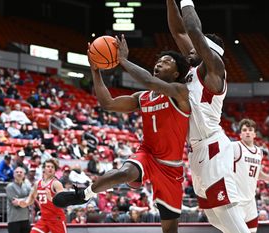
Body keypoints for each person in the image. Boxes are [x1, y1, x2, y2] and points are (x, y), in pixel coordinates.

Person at [53, 42, 190, 233]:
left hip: (171, 167)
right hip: (147, 154)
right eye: (158, 61)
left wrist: (123, 60)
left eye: (166, 62)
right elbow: (107, 103)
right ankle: (85, 194)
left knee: (170, 230)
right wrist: (95, 71)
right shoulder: (143, 97)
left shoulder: (180, 92)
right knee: (125, 173)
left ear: (176, 74)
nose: (159, 64)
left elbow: (150, 81)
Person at [166, 0, 250, 232]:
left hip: (213, 147)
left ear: (208, 51)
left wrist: (185, 1)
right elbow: (179, 30)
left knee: (226, 211)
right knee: (214, 218)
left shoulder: (214, 69)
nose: (188, 51)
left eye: (196, 47)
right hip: (197, 150)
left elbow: (192, 29)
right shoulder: (195, 67)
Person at [232, 119, 269, 233]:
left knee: (252, 231)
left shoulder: (259, 152)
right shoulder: (234, 147)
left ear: (254, 134)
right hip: (236, 201)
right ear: (240, 134)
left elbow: (257, 173)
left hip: (250, 201)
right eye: (244, 130)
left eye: (250, 130)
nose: (247, 132)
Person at [14, 159, 66, 233]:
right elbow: (32, 197)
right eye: (48, 166)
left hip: (56, 218)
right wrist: (25, 203)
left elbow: (63, 201)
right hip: (44, 218)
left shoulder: (56, 184)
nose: (50, 168)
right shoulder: (37, 183)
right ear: (43, 169)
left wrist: (51, 198)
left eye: (52, 167)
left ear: (55, 170)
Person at [5, 166, 32, 233]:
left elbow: (31, 198)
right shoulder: (9, 186)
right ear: (14, 175)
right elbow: (15, 203)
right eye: (17, 172)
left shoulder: (27, 186)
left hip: (25, 219)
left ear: (24, 175)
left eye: (21, 172)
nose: (19, 173)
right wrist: (27, 200)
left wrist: (21, 200)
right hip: (14, 220)